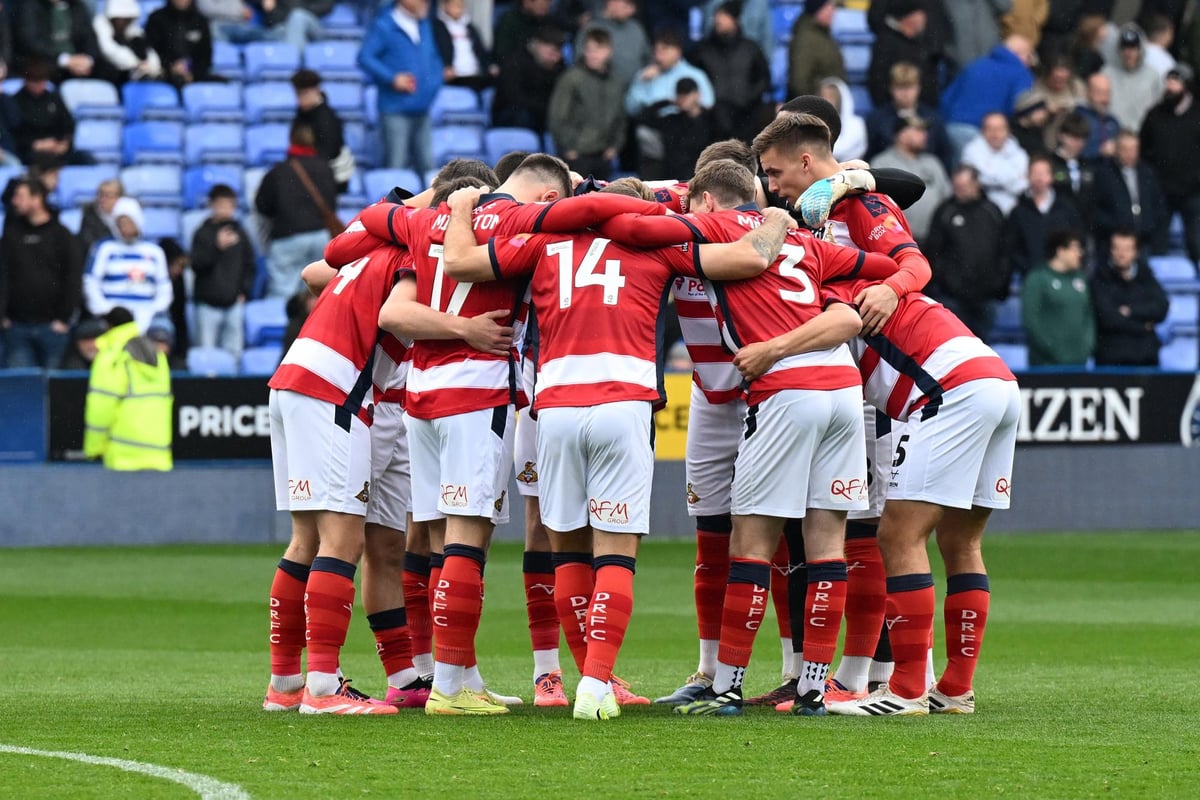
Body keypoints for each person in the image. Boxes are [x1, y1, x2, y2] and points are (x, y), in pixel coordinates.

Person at [440, 176, 794, 719]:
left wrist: (463, 204)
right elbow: (750, 259)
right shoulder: (654, 242)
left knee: (568, 554)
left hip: (554, 405)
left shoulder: (541, 244)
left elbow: (460, 262)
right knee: (615, 553)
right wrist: (775, 220)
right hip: (622, 403)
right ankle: (597, 683)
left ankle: (583, 675)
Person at [744, 111, 935, 710]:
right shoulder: (806, 213)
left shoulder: (859, 200)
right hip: (836, 384)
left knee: (872, 530)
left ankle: (893, 672)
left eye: (776, 172)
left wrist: (892, 285)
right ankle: (829, 673)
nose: (770, 185)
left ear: (806, 158)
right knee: (833, 531)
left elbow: (914, 249)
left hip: (872, 384)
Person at [0, 177, 82, 368]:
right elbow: (2, 274)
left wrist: (64, 318)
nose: (15, 201)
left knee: (52, 388)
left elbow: (72, 278)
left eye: (20, 196)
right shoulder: (11, 234)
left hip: (53, 326)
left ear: (37, 199)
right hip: (16, 326)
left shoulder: (62, 235)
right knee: (23, 389)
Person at [924, 164, 1010, 340]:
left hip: (986, 296)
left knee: (985, 348)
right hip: (953, 297)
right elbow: (933, 251)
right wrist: (946, 282)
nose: (960, 191)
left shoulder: (992, 211)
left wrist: (999, 284)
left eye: (964, 186)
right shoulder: (945, 211)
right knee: (957, 344)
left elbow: (1004, 251)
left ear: (976, 184)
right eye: (957, 187)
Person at [83, 307, 173, 472]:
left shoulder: (112, 355)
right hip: (159, 454)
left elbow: (102, 405)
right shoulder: (157, 354)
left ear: (110, 327)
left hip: (123, 456)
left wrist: (93, 448)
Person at [255, 121, 337, 300]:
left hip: (288, 238)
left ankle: (286, 328)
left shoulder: (279, 171)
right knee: (314, 295)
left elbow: (261, 205)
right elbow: (332, 203)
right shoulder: (326, 168)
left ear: (291, 141)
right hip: (319, 236)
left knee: (283, 294)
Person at [359, 0, 443, 174]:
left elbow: (434, 58)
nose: (426, 3)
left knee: (428, 167)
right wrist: (392, 78)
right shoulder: (384, 25)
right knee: (396, 167)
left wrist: (433, 85)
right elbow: (365, 57)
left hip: (423, 108)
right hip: (395, 109)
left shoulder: (425, 24)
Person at [1140, 64, 1200, 271]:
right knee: (1158, 246)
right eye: (1168, 82)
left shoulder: (1197, 115)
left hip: (1193, 193)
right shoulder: (1154, 115)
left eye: (1175, 82)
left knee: (1197, 243)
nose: (1170, 87)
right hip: (1162, 192)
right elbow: (1144, 151)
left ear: (1186, 86)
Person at [83, 197, 172, 332]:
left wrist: (153, 310)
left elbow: (164, 287)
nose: (125, 227)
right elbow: (91, 282)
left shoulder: (155, 252)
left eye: (129, 222)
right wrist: (104, 309)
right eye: (121, 223)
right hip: (111, 316)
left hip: (147, 315)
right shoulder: (105, 248)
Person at [547, 27, 624, 180]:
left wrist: (615, 146)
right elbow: (557, 116)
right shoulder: (571, 79)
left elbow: (620, 117)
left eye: (598, 49)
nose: (592, 54)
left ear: (609, 51)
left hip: (604, 155)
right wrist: (569, 147)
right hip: (577, 155)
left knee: (604, 201)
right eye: (589, 49)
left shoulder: (615, 82)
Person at [940, 35, 1035, 158]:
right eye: (1029, 56)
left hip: (951, 128)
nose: (1029, 63)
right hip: (982, 135)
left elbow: (946, 98)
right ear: (1019, 53)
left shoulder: (976, 65)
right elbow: (1021, 107)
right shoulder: (1020, 73)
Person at [191, 184, 256, 361]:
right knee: (207, 354)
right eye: (220, 204)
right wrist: (216, 246)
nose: (225, 209)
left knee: (234, 354)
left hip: (233, 302)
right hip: (207, 304)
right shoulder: (202, 233)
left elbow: (249, 265)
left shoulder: (241, 234)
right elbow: (197, 265)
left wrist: (244, 291)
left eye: (229, 204)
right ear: (211, 205)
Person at [690, 2, 771, 144]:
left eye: (724, 16)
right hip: (712, 121)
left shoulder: (750, 49)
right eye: (717, 16)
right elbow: (692, 79)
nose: (718, 20)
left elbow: (763, 79)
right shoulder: (702, 50)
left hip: (746, 118)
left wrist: (749, 99)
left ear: (735, 20)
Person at [1090, 229, 1169, 367]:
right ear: (1111, 250)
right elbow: (1108, 318)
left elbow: (1162, 307)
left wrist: (1130, 311)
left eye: (1127, 249)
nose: (1121, 254)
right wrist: (1143, 326)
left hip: (1145, 359)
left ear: (1136, 252)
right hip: (1111, 359)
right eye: (1117, 248)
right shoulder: (1100, 279)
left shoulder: (1146, 277)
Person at [869, 116, 952, 243]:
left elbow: (948, 198)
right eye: (918, 130)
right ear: (901, 134)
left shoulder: (933, 163)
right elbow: (874, 205)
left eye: (924, 131)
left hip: (934, 240)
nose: (925, 135)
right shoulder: (882, 163)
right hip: (896, 240)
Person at [1021, 229, 1094, 367]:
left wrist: (1087, 345)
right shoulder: (1037, 279)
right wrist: (1051, 348)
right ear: (1061, 251)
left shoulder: (1080, 278)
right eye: (1075, 248)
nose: (1080, 253)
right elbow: (1030, 319)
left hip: (1079, 361)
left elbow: (1089, 316)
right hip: (1046, 363)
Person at [1004, 154, 1084, 278]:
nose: (1039, 177)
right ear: (1028, 176)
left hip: (1064, 276)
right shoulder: (1019, 212)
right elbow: (1012, 248)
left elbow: (1078, 239)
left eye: (1043, 173)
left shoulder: (1066, 208)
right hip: (1030, 277)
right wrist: (1028, 268)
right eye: (1035, 173)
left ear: (1051, 177)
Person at [2, 57, 90, 167]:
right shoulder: (15, 101)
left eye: (42, 80)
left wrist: (63, 144)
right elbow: (15, 132)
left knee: (85, 159)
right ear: (25, 80)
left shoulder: (54, 98)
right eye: (35, 81)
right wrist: (36, 145)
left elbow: (68, 125)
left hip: (57, 148)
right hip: (31, 151)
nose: (39, 85)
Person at [865, 61, 952, 167]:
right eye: (900, 87)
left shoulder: (933, 118)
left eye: (910, 87)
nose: (905, 93)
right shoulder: (877, 119)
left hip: (927, 175)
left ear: (919, 87)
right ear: (891, 88)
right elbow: (870, 155)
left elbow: (944, 154)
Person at [1091, 129, 1168, 249]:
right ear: (1116, 150)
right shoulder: (1104, 174)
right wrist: (1117, 227)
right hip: (1114, 242)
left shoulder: (1147, 173)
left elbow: (1158, 205)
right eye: (1125, 149)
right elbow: (1096, 209)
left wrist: (1150, 226)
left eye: (1133, 149)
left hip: (1144, 239)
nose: (1129, 153)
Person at [625, 28, 714, 120]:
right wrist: (641, 82)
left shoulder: (696, 75)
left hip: (686, 127)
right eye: (656, 51)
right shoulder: (645, 75)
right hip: (654, 127)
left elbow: (708, 106)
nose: (658, 56)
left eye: (664, 50)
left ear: (678, 51)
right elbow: (631, 110)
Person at [491, 25, 564, 134]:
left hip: (542, 112)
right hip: (512, 115)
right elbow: (515, 99)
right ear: (538, 46)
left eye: (558, 53)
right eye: (551, 53)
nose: (556, 58)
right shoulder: (514, 63)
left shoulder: (558, 66)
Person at [867, 1, 938, 108]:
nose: (925, 18)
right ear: (909, 17)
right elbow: (878, 85)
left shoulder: (924, 45)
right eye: (920, 14)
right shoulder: (885, 44)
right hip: (890, 112)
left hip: (923, 110)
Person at [290, 69, 351, 193]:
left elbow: (329, 153)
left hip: (331, 177)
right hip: (310, 173)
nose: (301, 99)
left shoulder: (326, 118)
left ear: (317, 90)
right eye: (298, 94)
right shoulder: (302, 114)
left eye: (305, 93)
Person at [959, 111, 1028, 215]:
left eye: (1000, 129)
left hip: (1014, 210)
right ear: (983, 131)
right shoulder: (972, 151)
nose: (995, 134)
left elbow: (1022, 185)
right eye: (990, 129)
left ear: (1008, 131)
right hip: (979, 210)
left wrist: (992, 176)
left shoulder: (1019, 153)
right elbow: (978, 180)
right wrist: (1010, 178)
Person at [14, 0, 100, 82]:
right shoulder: (31, 6)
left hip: (79, 62)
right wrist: (66, 60)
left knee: (106, 71)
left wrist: (88, 60)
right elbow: (31, 42)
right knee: (39, 71)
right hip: (48, 62)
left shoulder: (77, 6)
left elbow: (90, 37)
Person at [575, 0, 649, 91]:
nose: (632, 11)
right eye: (627, 5)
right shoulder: (591, 28)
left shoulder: (636, 28)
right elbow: (579, 62)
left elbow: (648, 57)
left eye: (634, 6)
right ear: (612, 2)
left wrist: (652, 69)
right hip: (600, 92)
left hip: (636, 92)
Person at [1101, 25, 1163, 132]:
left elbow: (1158, 108)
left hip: (1136, 136)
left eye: (1133, 48)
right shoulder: (1107, 72)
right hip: (1109, 133)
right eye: (1125, 48)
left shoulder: (1153, 76)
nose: (1128, 53)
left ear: (1141, 49)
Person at [144, 0, 216, 89]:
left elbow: (205, 56)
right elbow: (151, 50)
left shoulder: (200, 21)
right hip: (164, 75)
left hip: (194, 76)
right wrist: (171, 67)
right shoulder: (156, 19)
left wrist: (192, 72)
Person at [92, 0, 163, 85]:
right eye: (119, 18)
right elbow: (109, 50)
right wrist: (136, 64)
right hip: (108, 73)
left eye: (126, 18)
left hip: (132, 72)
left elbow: (147, 49)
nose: (122, 21)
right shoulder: (100, 23)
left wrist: (152, 66)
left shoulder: (131, 27)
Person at [787, 0, 844, 99]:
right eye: (829, 7)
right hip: (814, 109)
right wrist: (823, 92)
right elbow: (799, 82)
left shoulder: (822, 35)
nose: (833, 12)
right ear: (818, 9)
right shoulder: (806, 39)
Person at [432, 0, 493, 93]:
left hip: (476, 73)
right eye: (454, 5)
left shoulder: (470, 27)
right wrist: (445, 67)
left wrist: (489, 66)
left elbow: (481, 51)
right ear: (445, 6)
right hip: (455, 75)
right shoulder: (437, 27)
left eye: (460, 6)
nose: (458, 9)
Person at [818, 77, 867, 163]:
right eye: (823, 96)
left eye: (831, 96)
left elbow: (853, 150)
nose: (825, 100)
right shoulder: (812, 124)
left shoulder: (857, 124)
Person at [1078, 72, 1120, 160]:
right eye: (1100, 93)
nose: (1105, 99)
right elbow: (1071, 150)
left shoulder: (1113, 121)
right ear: (1088, 93)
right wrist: (1099, 151)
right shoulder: (1077, 117)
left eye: (1107, 93)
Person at [79, 179, 122, 254]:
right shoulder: (89, 217)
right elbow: (90, 245)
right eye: (101, 195)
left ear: (119, 198)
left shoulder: (127, 217)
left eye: (108, 196)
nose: (103, 199)